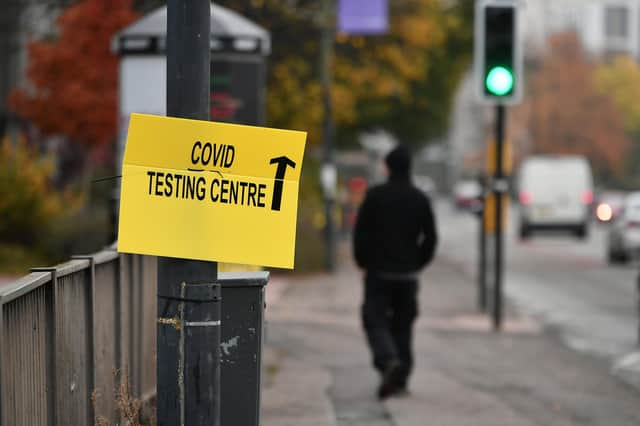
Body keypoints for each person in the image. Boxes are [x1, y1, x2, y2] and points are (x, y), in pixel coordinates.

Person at [353, 144, 438, 399]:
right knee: (403, 326)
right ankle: (400, 379)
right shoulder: (420, 198)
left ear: (387, 167)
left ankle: (388, 360)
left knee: (374, 319)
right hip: (408, 276)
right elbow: (431, 238)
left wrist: (363, 261)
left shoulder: (375, 195)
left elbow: (361, 233)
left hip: (379, 273)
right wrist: (417, 263)